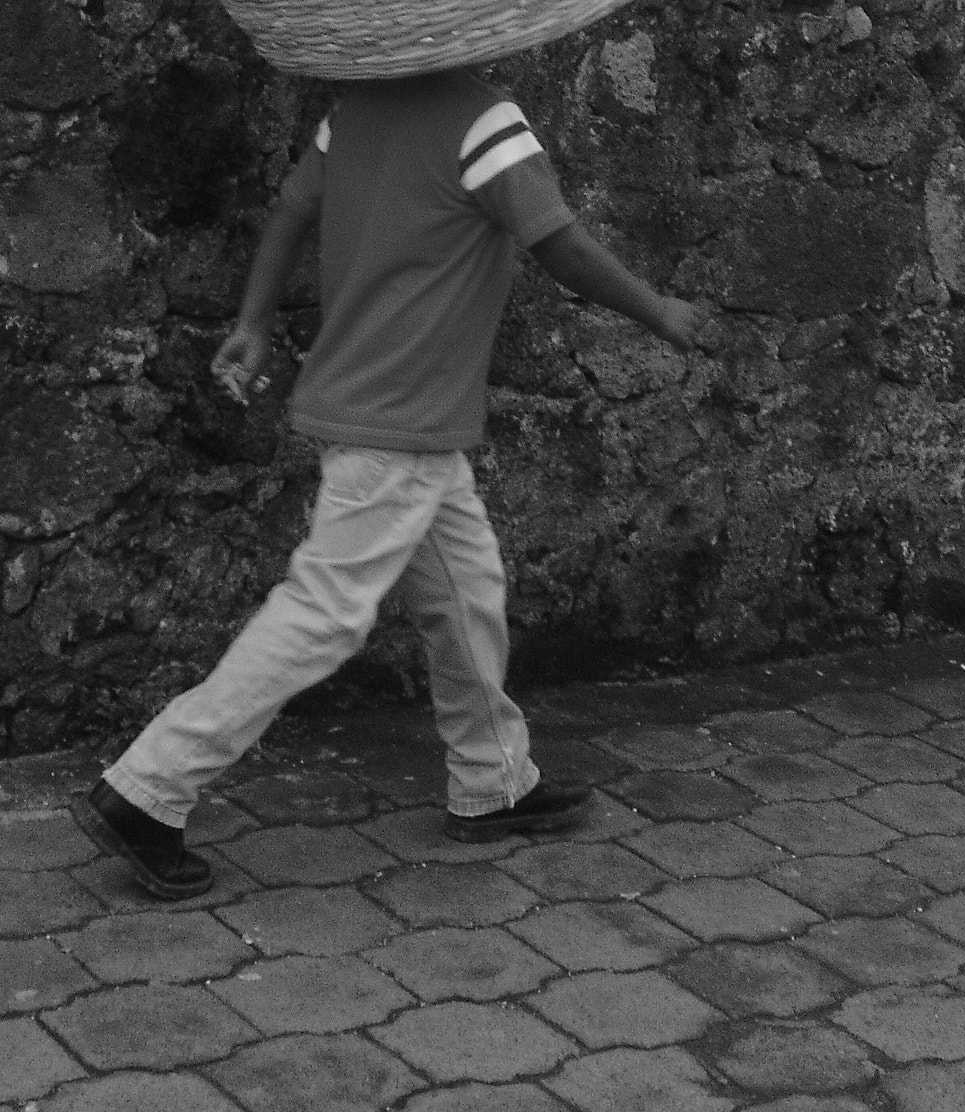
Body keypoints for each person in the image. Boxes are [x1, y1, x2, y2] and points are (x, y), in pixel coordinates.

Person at [72, 67, 706, 898]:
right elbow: (562, 246)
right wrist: (659, 311)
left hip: (394, 416)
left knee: (465, 586)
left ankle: (493, 781)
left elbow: (292, 211)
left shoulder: (355, 116)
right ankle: (148, 789)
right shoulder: (486, 120)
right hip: (399, 421)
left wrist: (254, 324)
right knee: (326, 613)